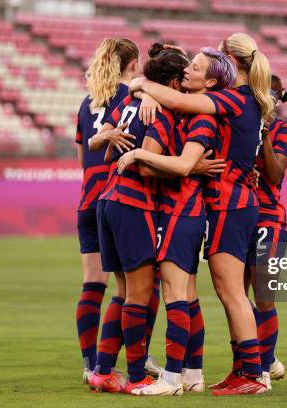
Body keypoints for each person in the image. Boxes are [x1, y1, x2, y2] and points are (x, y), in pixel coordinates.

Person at [129, 32, 274, 395]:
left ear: (230, 63)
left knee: (231, 293)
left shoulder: (232, 100)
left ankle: (253, 374)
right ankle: (245, 368)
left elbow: (177, 98)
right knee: (231, 291)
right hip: (235, 200)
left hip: (230, 202)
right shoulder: (246, 99)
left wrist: (142, 84)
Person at [117, 47, 235, 396]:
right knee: (186, 295)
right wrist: (141, 87)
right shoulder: (186, 109)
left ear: (210, 81)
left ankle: (169, 379)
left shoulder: (203, 118)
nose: (187, 71)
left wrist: (139, 152)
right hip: (181, 211)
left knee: (174, 293)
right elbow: (148, 85)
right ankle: (193, 373)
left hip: (182, 211)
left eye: (194, 67)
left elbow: (184, 166)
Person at [89, 48, 189, 394]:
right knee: (140, 295)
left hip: (108, 199)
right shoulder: (160, 113)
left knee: (122, 291)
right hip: (134, 205)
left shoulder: (129, 104)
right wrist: (186, 170)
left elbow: (105, 151)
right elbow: (146, 165)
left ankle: (102, 370)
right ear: (174, 82)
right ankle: (136, 377)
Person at [73, 38, 138, 385]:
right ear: (133, 64)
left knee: (92, 286)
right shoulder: (132, 97)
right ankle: (115, 361)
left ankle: (89, 364)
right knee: (133, 289)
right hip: (117, 199)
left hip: (87, 199)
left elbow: (84, 158)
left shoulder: (88, 102)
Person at [244, 74, 287, 388]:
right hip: (236, 216)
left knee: (264, 297)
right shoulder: (240, 124)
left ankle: (262, 369)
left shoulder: (285, 131)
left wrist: (263, 136)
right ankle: (253, 362)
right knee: (234, 296)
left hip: (269, 220)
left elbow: (275, 175)